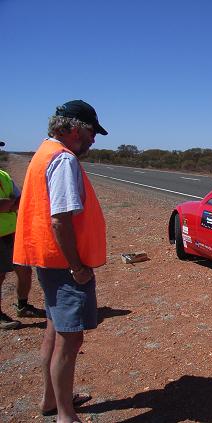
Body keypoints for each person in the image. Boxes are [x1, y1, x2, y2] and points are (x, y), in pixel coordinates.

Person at [13, 100, 108, 422]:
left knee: (54, 333)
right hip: (63, 265)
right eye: (92, 131)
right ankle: (66, 415)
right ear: (73, 128)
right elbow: (60, 219)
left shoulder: (43, 153)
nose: (94, 139)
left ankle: (50, 400)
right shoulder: (64, 159)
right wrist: (76, 266)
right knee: (70, 340)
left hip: (44, 259)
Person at [0, 166, 45, 330]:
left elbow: (20, 199)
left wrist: (9, 204)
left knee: (25, 270)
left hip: (12, 233)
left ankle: (22, 306)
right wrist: (9, 203)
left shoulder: (4, 175)